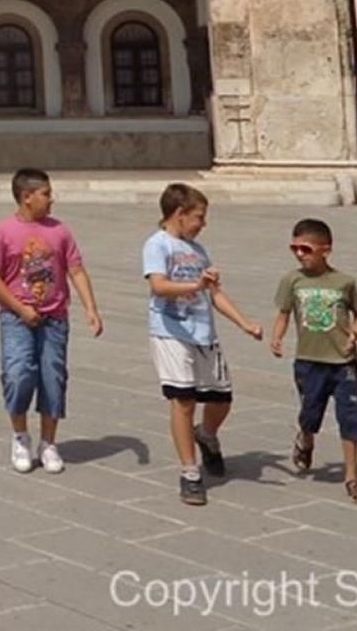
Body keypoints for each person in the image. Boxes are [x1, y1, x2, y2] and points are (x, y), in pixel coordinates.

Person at [143, 182, 264, 506]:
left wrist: (244, 323)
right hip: (171, 331)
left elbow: (215, 294)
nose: (203, 224)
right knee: (183, 400)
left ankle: (207, 435)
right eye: (198, 217)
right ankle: (190, 472)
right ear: (179, 214)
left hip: (204, 332)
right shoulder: (157, 245)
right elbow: (158, 286)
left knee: (221, 399)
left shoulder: (199, 251)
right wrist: (194, 283)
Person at [0, 168, 104, 475]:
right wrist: (19, 308)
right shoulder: (2, 232)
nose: (52, 200)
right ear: (26, 197)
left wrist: (91, 308)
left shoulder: (59, 231)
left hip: (54, 317)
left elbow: (75, 270)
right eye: (46, 194)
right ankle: (20, 435)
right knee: (18, 372)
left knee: (53, 376)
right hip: (16, 318)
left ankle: (48, 442)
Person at [271, 217, 357, 504]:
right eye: (295, 249)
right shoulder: (293, 280)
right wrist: (277, 337)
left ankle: (352, 476)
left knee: (351, 418)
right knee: (309, 414)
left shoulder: (344, 282)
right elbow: (284, 313)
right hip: (308, 360)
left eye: (306, 249)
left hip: (343, 361)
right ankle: (306, 439)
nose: (300, 255)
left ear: (326, 249)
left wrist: (355, 334)